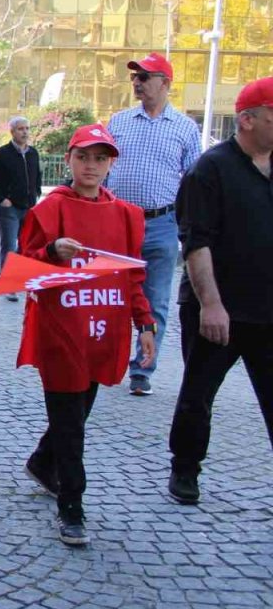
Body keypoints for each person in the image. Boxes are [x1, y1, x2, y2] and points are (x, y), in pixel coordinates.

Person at [17, 124, 155, 546]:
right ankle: (71, 507)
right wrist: (50, 254)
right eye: (83, 157)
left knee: (77, 414)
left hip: (102, 332)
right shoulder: (49, 210)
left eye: (100, 158)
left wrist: (145, 325)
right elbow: (22, 270)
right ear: (70, 160)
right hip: (61, 332)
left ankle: (43, 461)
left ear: (111, 163)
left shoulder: (127, 216)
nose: (91, 166)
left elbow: (131, 278)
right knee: (72, 425)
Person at [166, 77, 273, 505]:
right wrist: (211, 304)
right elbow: (197, 241)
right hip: (217, 311)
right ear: (246, 120)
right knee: (198, 396)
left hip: (268, 312)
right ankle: (185, 470)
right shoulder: (210, 170)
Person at [106, 52, 202, 397]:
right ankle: (106, 360)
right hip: (118, 223)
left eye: (145, 77)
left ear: (165, 83)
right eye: (135, 77)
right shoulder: (118, 122)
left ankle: (142, 370)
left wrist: (188, 226)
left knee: (156, 300)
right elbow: (102, 167)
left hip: (162, 224)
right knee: (111, 295)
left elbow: (195, 182)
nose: (137, 82)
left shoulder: (186, 129)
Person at [0, 116, 42, 302]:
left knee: (25, 245)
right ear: (12, 132)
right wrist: (1, 199)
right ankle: (10, 285)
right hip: (9, 209)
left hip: (29, 206)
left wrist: (36, 193)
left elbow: (37, 175)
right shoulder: (1, 154)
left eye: (27, 128)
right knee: (9, 245)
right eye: (20, 129)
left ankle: (5, 269)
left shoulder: (33, 153)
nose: (25, 132)